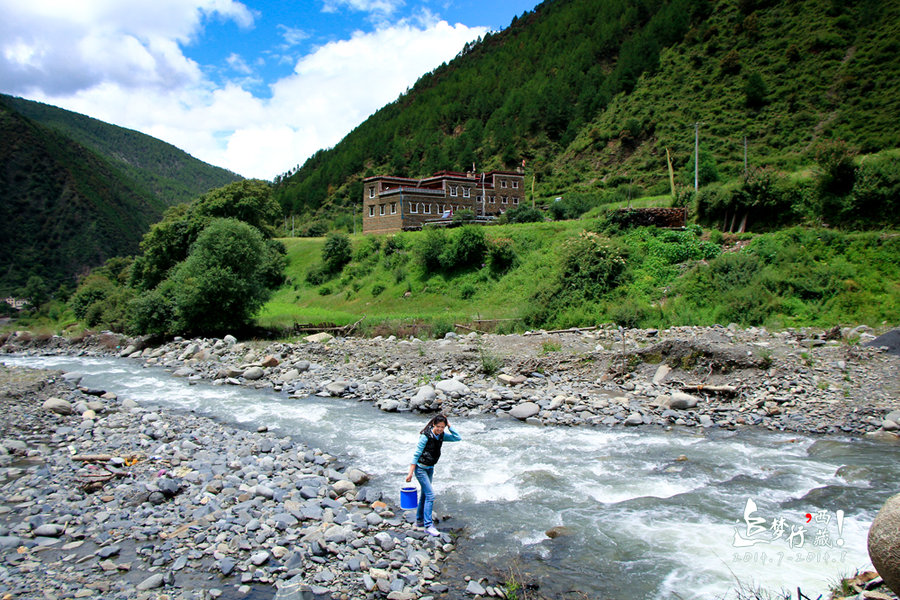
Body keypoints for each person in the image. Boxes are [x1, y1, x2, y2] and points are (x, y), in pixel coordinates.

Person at [405, 414, 461, 536]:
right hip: (420, 469)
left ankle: (419, 521)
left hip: (430, 469)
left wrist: (450, 426)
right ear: (433, 425)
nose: (440, 429)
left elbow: (457, 438)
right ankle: (428, 526)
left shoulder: (441, 435)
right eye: (438, 426)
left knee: (425, 495)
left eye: (443, 427)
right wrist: (410, 473)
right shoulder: (425, 436)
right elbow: (416, 454)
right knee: (430, 495)